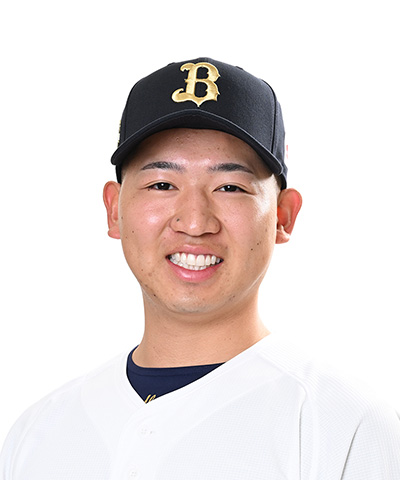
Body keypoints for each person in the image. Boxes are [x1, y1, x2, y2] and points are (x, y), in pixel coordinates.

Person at [1, 57, 399, 479]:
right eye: (162, 184)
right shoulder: (37, 432)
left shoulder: (345, 427)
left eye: (230, 187)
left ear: (283, 216)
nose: (194, 222)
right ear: (114, 210)